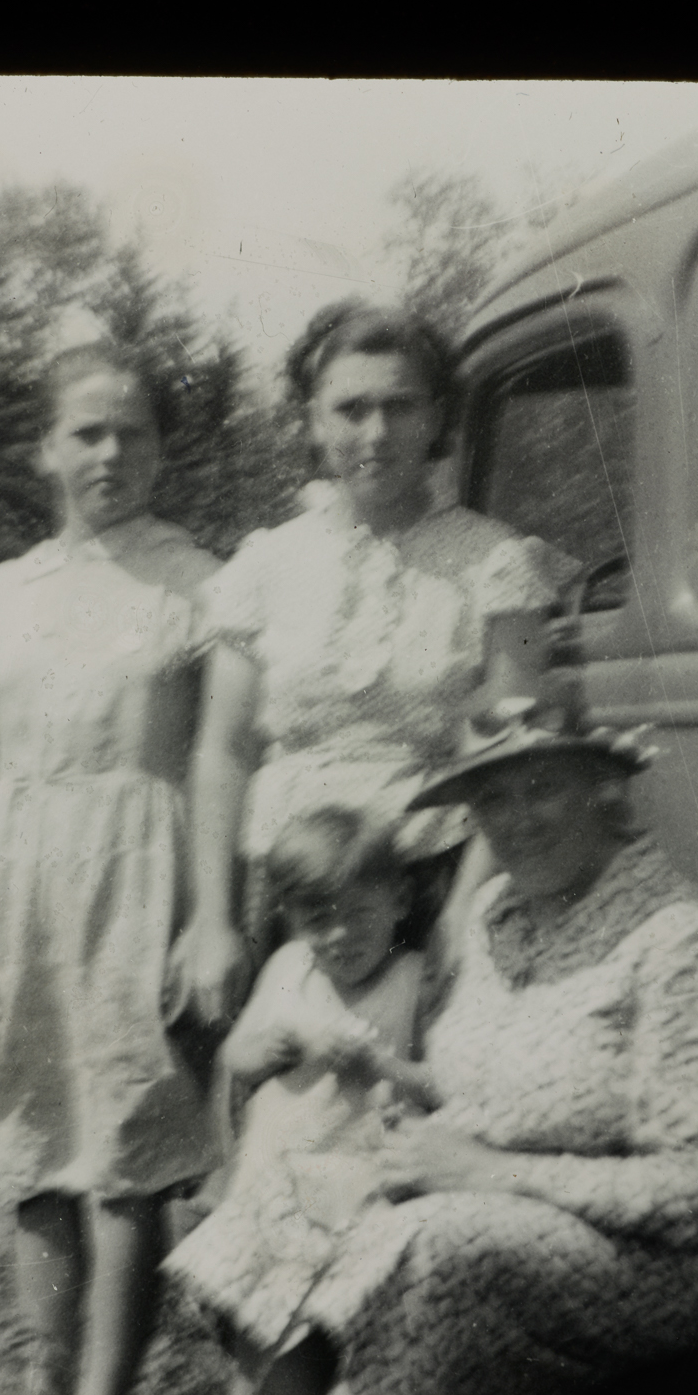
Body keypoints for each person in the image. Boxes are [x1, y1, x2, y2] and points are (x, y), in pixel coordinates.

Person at [257, 679, 698, 1395]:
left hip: (651, 1264)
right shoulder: (500, 915)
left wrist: (483, 1170)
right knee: (269, 1223)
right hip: (495, 1207)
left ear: (604, 787)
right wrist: (404, 1094)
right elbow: (481, 1089)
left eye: (542, 788)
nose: (518, 819)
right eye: (494, 799)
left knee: (428, 1245)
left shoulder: (676, 938)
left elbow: (697, 1193)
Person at [0, 338, 217, 1395]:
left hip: (136, 878)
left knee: (123, 1155)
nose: (110, 452)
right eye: (87, 432)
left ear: (159, 447)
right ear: (44, 449)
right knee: (33, 1144)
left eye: (133, 431)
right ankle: (44, 1386)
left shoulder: (198, 585)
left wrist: (204, 917)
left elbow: (208, 759)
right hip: (18, 888)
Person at [167, 299, 576, 1030]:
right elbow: (222, 752)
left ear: (437, 417)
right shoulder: (265, 566)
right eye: (350, 409)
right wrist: (213, 920)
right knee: (286, 1107)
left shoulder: (496, 563)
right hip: (288, 896)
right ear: (312, 422)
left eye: (400, 406)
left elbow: (510, 758)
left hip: (427, 883)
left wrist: (461, 914)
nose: (377, 433)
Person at [163, 807, 436, 1395]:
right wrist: (275, 1045)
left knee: (309, 1336)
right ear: (290, 915)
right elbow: (237, 1059)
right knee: (263, 1338)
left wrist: (380, 1064)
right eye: (318, 919)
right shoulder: (290, 968)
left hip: (354, 1195)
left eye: (359, 914)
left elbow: (435, 1081)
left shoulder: (412, 977)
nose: (340, 935)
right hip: (270, 1190)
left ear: (399, 900)